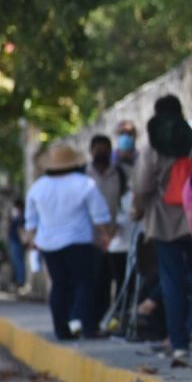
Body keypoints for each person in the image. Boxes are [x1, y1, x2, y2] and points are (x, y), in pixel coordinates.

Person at [132, 94, 192, 358]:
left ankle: (179, 342)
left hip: (164, 222)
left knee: (172, 282)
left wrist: (139, 209)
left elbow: (141, 186)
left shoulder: (152, 147)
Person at [24, 144, 113, 339]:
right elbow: (99, 215)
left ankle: (61, 329)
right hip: (77, 242)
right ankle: (89, 327)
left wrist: (33, 239)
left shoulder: (38, 187)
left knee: (59, 285)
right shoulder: (84, 184)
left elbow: (30, 219)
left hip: (49, 244)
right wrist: (105, 235)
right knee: (85, 283)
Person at [87, 135, 129, 323]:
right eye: (98, 149)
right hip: (90, 238)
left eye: (104, 148)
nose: (101, 152)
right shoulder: (84, 174)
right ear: (91, 151)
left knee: (115, 280)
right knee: (94, 281)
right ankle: (92, 319)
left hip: (116, 236)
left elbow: (126, 202)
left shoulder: (120, 173)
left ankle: (113, 318)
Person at [7, 199, 27, 289]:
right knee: (16, 262)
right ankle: (18, 281)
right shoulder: (17, 216)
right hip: (15, 241)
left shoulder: (21, 216)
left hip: (17, 242)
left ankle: (20, 282)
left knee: (18, 262)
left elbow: (20, 229)